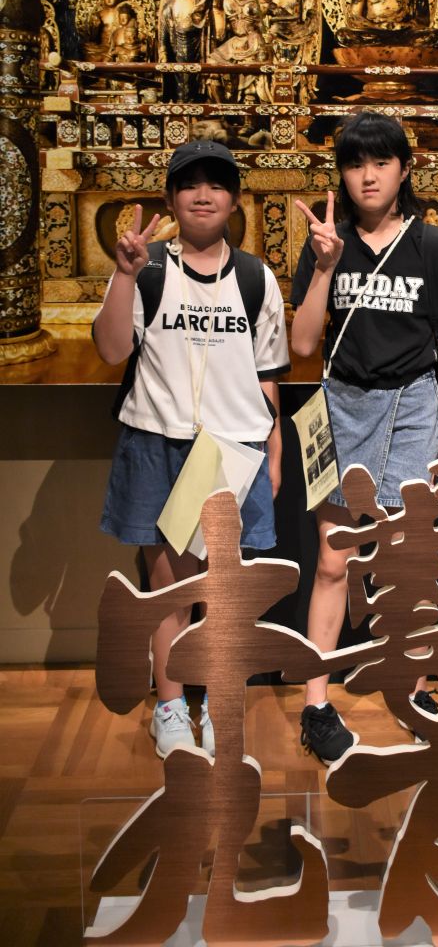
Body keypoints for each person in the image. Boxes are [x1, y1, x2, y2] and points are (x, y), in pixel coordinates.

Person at [94, 140, 290, 759]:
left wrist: (274, 450)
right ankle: (172, 707)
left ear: (234, 200)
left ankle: (221, 702)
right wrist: (126, 275)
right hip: (160, 442)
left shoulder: (256, 277)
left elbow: (267, 375)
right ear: (171, 198)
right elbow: (111, 350)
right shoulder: (146, 267)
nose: (203, 196)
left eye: (217, 184)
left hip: (232, 451)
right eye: (189, 184)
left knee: (225, 592)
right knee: (168, 587)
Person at [290, 112, 438, 764]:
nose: (367, 176)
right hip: (342, 402)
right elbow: (303, 344)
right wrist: (323, 269)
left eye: (380, 162)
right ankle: (316, 705)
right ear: (340, 174)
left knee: (409, 559)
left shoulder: (433, 245)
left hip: (415, 405)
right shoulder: (327, 242)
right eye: (354, 163)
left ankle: (414, 688)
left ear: (404, 169)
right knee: (333, 559)